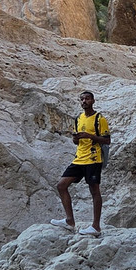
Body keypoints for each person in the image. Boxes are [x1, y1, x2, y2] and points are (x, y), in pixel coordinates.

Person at [50, 90, 110, 236]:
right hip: (79, 158)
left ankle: (96, 227)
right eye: (82, 99)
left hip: (94, 159)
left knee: (94, 191)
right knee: (61, 185)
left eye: (87, 99)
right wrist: (76, 139)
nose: (84, 101)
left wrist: (89, 136)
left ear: (93, 101)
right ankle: (70, 221)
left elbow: (107, 140)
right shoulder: (78, 118)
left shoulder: (99, 118)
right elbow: (77, 141)